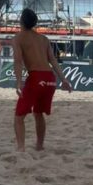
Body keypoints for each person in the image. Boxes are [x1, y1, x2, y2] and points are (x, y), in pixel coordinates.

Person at [12, 8, 72, 152]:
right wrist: (63, 80)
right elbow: (53, 60)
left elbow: (18, 61)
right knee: (38, 113)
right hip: (50, 79)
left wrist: (19, 81)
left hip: (36, 78)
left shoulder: (18, 38)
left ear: (21, 20)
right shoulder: (43, 39)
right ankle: (39, 146)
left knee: (19, 116)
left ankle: (21, 149)